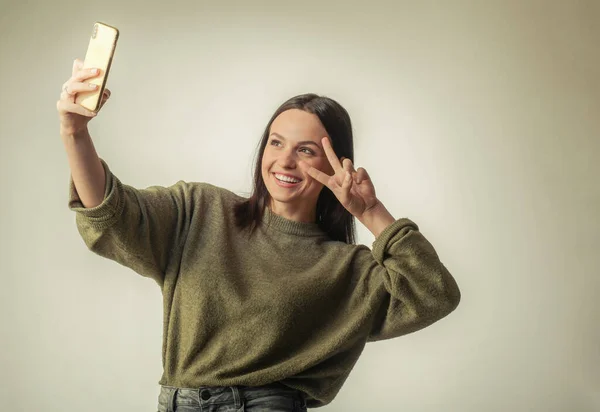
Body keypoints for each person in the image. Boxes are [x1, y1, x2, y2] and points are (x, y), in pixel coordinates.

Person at [57, 58, 461, 411]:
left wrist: (372, 211)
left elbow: (433, 293)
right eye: (276, 142)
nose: (284, 160)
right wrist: (75, 133)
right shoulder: (200, 210)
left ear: (336, 163)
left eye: (306, 150)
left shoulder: (347, 269)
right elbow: (113, 214)